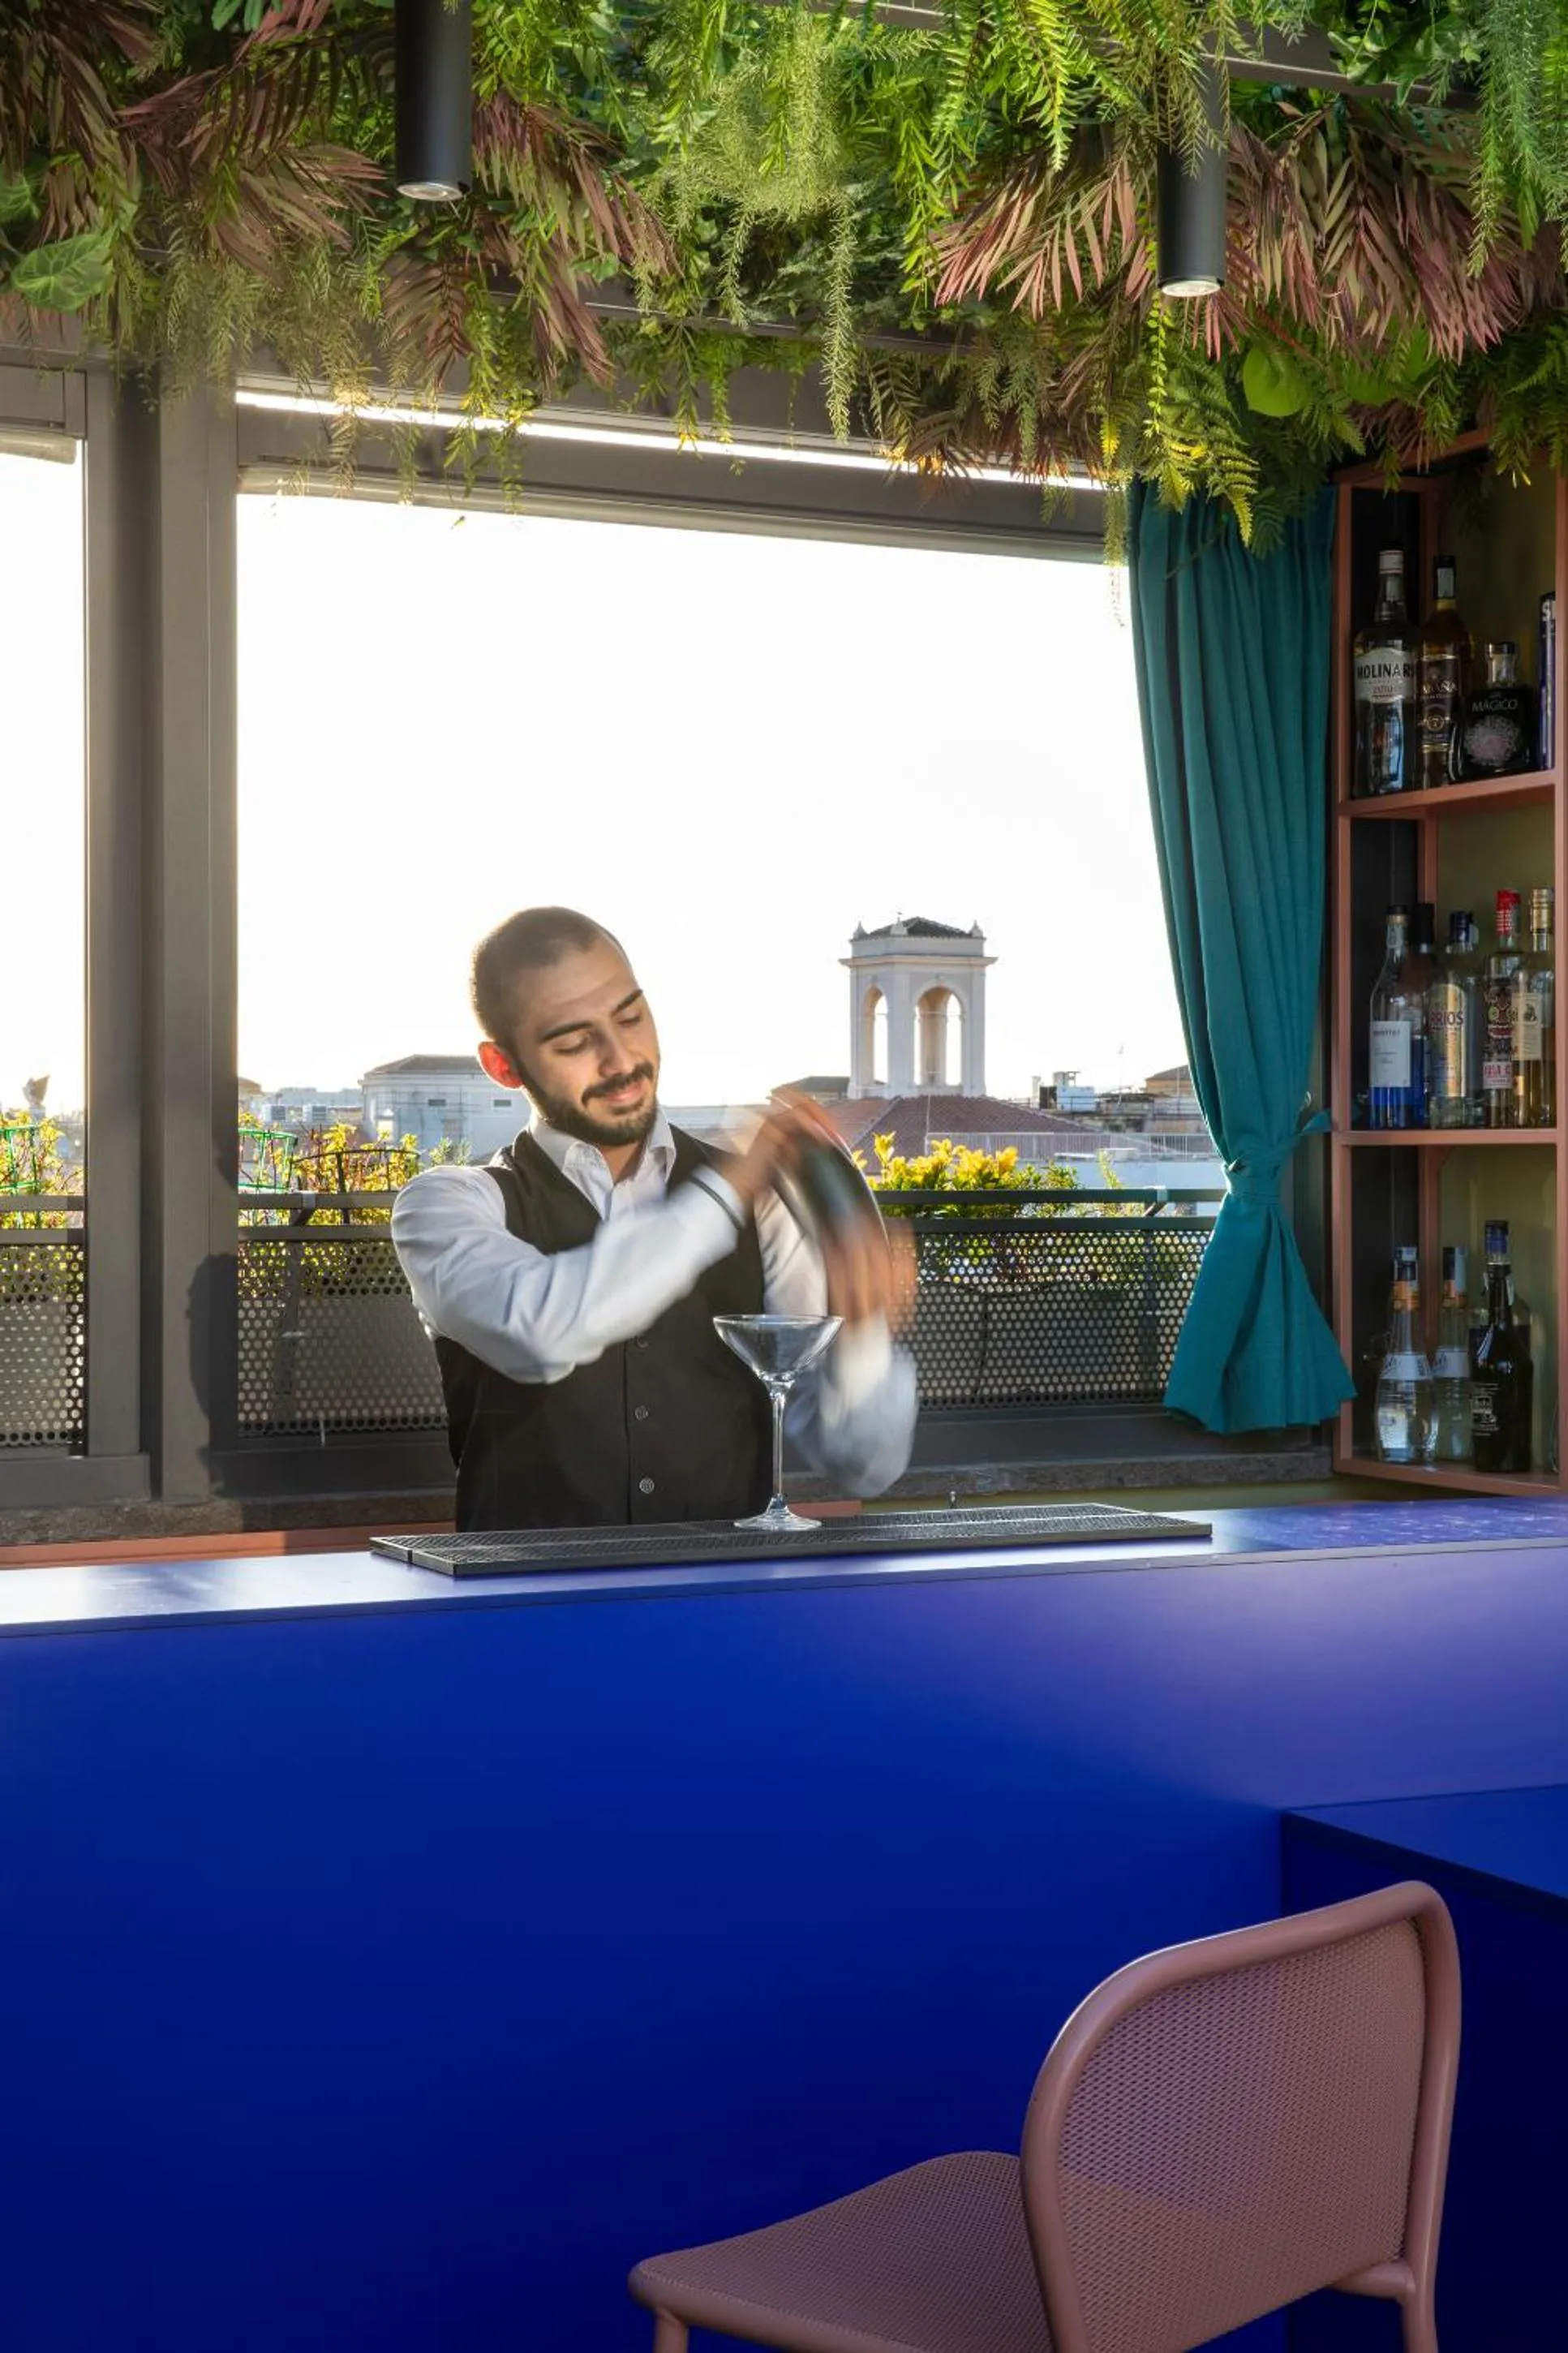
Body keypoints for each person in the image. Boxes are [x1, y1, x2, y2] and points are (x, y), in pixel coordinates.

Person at [391, 907, 918, 1530]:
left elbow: (864, 1468)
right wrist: (727, 1191)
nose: (621, 1060)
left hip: (720, 1607)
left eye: (630, 1017)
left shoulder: (766, 1206)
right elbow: (537, 1331)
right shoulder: (445, 1206)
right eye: (573, 1041)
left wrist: (860, 1338)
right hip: (526, 1612)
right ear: (504, 1066)